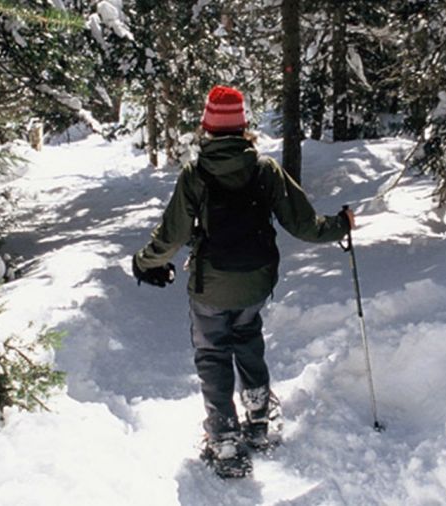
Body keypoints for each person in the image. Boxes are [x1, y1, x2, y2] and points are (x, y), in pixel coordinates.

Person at [132, 85, 354, 477]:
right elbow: (304, 225)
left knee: (213, 354)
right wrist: (341, 225)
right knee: (248, 337)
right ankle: (258, 418)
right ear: (243, 126)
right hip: (256, 280)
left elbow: (171, 235)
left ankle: (224, 439)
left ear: (207, 127)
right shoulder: (264, 170)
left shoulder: (196, 175)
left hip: (210, 286)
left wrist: (144, 262)